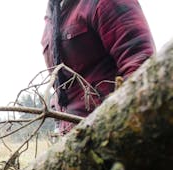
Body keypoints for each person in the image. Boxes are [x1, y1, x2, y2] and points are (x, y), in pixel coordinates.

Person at [42, 0, 155, 135]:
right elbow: (62, 85)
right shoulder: (51, 16)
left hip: (110, 130)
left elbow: (140, 64)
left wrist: (123, 124)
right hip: (73, 136)